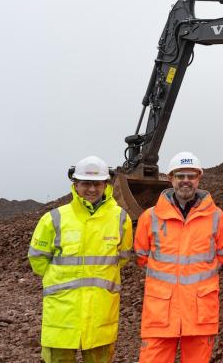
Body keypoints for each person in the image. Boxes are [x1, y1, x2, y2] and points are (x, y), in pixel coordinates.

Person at [28, 155, 133, 363]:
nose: (92, 189)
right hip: (62, 315)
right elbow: (38, 260)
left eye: (97, 183)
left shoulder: (120, 218)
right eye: (86, 183)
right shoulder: (54, 218)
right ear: (75, 184)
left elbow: (122, 257)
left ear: (106, 184)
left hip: (100, 315)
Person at [134, 151, 223, 363]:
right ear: (170, 179)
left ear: (198, 179)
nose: (185, 181)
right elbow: (141, 256)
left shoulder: (217, 217)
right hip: (160, 313)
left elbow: (222, 255)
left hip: (199, 313)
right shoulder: (150, 217)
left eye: (191, 176)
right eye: (180, 176)